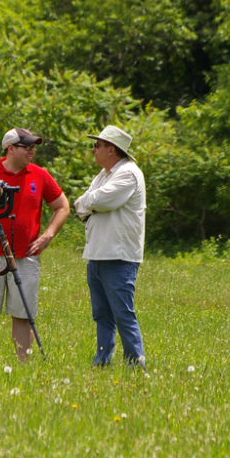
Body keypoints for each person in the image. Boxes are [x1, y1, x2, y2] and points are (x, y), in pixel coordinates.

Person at [0, 128, 70, 360]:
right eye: (27, 147)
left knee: (23, 315)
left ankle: (23, 365)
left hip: (26, 256)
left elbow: (62, 206)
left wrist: (47, 236)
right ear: (10, 148)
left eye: (34, 147)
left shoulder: (40, 175)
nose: (32, 151)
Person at [74, 125, 147, 369]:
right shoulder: (104, 175)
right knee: (102, 314)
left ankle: (135, 365)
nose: (93, 150)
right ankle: (102, 362)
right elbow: (81, 204)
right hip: (97, 254)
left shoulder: (128, 173)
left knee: (123, 314)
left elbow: (100, 200)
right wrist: (91, 202)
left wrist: (90, 202)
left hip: (119, 256)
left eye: (97, 145)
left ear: (112, 150)